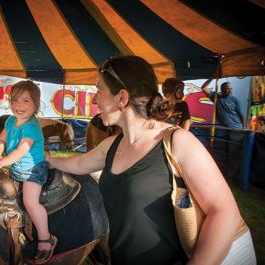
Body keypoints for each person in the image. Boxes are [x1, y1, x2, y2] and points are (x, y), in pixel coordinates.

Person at [45, 56, 255, 265]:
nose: (93, 99)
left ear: (122, 98)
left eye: (99, 90)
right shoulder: (111, 145)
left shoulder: (177, 141)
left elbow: (223, 211)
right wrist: (47, 158)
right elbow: (79, 164)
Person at [0, 80, 57, 264]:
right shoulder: (10, 122)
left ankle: (46, 238)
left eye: (26, 101)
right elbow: (0, 141)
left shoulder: (32, 126)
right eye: (15, 100)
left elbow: (20, 151)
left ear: (36, 104)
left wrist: (2, 161)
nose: (19, 105)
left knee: (30, 202)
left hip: (33, 170)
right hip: (17, 168)